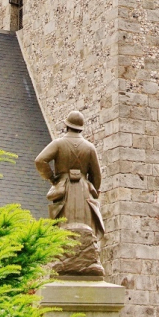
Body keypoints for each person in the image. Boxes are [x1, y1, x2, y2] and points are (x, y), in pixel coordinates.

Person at [35, 110, 105, 275]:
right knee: (85, 228)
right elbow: (97, 175)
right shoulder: (89, 147)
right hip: (83, 192)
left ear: (66, 126)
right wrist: (92, 191)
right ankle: (84, 260)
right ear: (80, 128)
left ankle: (65, 261)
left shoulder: (59, 144)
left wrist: (53, 179)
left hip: (63, 190)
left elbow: (40, 160)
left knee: (63, 227)